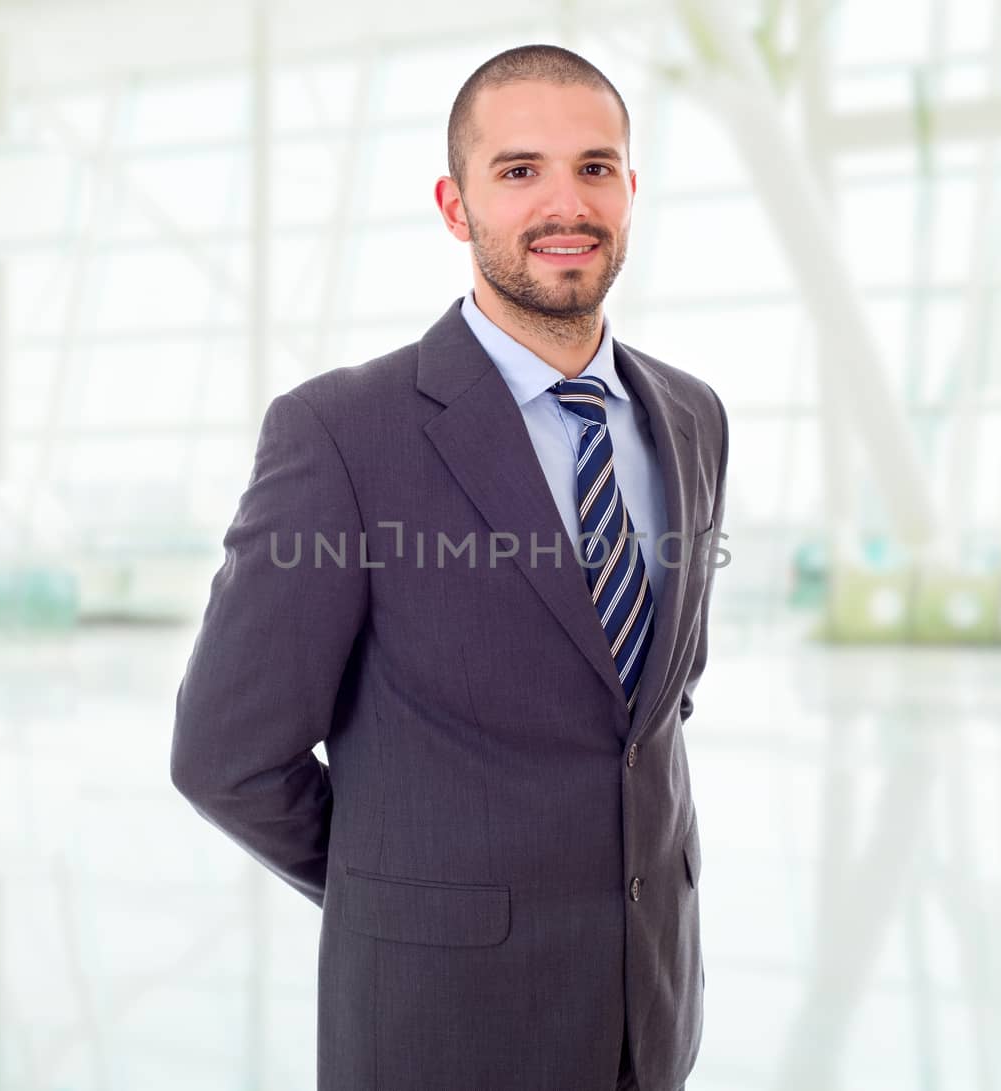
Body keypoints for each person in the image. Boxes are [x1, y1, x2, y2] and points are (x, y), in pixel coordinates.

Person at [171, 43, 729, 1091]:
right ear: (454, 203)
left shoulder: (691, 416)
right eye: (519, 171)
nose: (566, 202)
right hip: (443, 1026)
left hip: (650, 1018)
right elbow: (225, 755)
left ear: (630, 189)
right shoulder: (342, 433)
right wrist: (409, 889)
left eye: (595, 167)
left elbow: (654, 706)